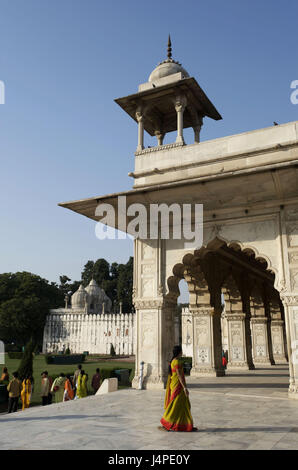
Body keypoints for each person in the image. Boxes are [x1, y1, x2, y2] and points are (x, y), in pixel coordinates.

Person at [160, 345, 194, 432]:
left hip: (174, 385)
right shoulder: (177, 362)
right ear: (179, 352)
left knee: (183, 405)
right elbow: (179, 376)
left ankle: (184, 424)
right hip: (178, 386)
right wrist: (185, 387)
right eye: (181, 351)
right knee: (175, 405)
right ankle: (166, 421)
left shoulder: (172, 361)